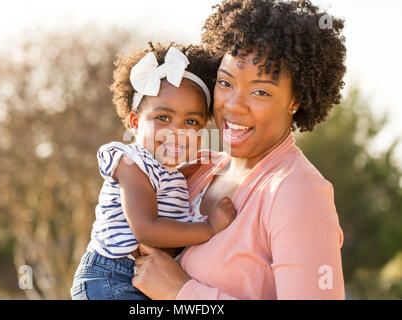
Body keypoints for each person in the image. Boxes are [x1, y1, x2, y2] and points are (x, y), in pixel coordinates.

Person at [132, 0, 347, 299]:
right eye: (225, 82)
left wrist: (181, 292)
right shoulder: (198, 170)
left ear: (295, 101)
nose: (233, 105)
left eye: (260, 91)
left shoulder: (298, 193)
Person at [70, 43, 237, 300]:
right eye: (163, 118)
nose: (177, 132)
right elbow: (146, 229)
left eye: (191, 122)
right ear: (135, 123)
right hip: (110, 277)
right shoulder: (131, 165)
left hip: (137, 278)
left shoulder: (171, 172)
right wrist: (210, 227)